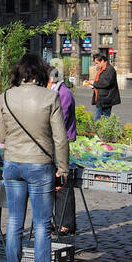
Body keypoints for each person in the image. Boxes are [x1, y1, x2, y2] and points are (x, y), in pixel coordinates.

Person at [0, 53, 71, 262]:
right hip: (40, 165)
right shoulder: (50, 97)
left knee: (14, 223)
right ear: (41, 72)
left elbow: (1, 133)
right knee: (41, 226)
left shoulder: (7, 96)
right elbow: (60, 138)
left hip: (12, 163)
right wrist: (63, 168)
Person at [48, 69, 77, 235]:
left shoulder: (63, 94)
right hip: (55, 143)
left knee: (63, 182)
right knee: (56, 184)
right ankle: (58, 221)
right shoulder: (54, 92)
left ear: (51, 79)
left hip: (61, 143)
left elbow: (61, 120)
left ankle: (65, 223)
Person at [85, 52, 120, 119]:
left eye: (97, 63)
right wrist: (93, 86)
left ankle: (100, 129)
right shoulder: (101, 69)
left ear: (102, 61)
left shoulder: (109, 69)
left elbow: (106, 83)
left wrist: (94, 83)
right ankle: (99, 129)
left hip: (106, 99)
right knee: (99, 119)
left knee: (102, 119)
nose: (96, 65)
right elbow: (100, 82)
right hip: (100, 99)